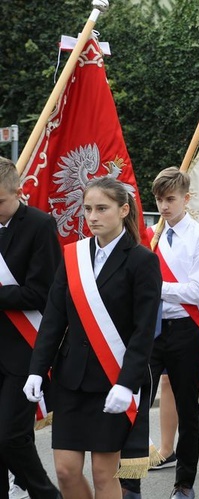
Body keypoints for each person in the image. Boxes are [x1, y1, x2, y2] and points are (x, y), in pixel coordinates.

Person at [25, 177, 161, 499]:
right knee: (66, 471)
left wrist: (127, 383)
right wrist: (36, 368)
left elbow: (144, 332)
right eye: (88, 209)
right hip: (71, 379)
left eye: (102, 208)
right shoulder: (73, 256)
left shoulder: (142, 260)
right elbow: (54, 318)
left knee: (103, 475)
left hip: (112, 379)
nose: (93, 216)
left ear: (123, 209)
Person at [134, 167, 199, 499]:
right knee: (136, 405)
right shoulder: (148, 235)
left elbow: (197, 291)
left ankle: (184, 483)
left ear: (186, 198)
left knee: (186, 407)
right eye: (159, 200)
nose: (165, 206)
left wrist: (156, 287)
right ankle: (130, 480)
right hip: (150, 330)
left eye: (171, 199)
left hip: (185, 330)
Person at [0, 157, 61, 499]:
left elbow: (41, 292)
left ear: (19, 193)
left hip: (24, 349)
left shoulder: (39, 225)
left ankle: (46, 494)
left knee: (11, 436)